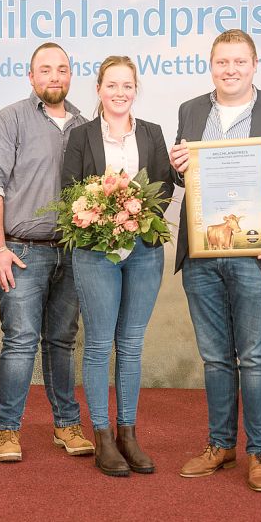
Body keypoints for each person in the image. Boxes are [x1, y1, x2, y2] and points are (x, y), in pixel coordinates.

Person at [168, 29, 261, 492]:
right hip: (202, 258)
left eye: (239, 62)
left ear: (255, 65)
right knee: (215, 358)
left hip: (258, 257)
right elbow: (186, 183)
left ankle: (260, 453)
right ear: (211, 65)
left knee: (254, 357)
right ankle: (220, 445)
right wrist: (177, 167)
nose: (230, 70)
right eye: (222, 62)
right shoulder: (191, 110)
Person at [0, 42, 94, 462]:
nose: (54, 77)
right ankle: (7, 430)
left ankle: (66, 425)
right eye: (45, 70)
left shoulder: (87, 124)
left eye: (61, 69)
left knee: (62, 341)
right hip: (22, 252)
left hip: (75, 254)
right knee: (21, 342)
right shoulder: (9, 120)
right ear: (31, 76)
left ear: (71, 75)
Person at [61, 55, 174, 477]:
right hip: (95, 253)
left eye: (127, 85)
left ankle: (128, 433)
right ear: (99, 89)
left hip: (144, 251)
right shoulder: (81, 135)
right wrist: (105, 215)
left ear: (135, 89)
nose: (120, 92)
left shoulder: (153, 133)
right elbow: (68, 193)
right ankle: (103, 437)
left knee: (130, 343)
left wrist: (136, 211)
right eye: (112, 85)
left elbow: (162, 190)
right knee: (98, 344)